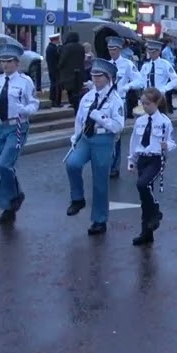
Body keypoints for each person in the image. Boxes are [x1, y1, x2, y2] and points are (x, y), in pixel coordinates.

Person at [0, 44, 39, 225]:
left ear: (16, 63)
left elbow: (35, 104)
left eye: (8, 62)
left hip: (17, 126)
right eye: (2, 62)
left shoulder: (25, 81)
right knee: (0, 167)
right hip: (0, 126)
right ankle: (9, 206)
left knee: (6, 164)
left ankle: (13, 197)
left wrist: (25, 110)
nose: (4, 65)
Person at [65, 58, 124, 235]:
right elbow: (79, 119)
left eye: (99, 76)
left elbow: (118, 126)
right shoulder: (88, 97)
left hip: (103, 140)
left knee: (100, 181)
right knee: (72, 163)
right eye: (93, 75)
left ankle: (99, 220)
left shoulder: (115, 100)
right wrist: (75, 136)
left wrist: (101, 118)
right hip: (86, 137)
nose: (95, 79)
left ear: (108, 78)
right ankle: (77, 198)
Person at [127, 87, 176, 246]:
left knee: (142, 184)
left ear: (156, 103)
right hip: (142, 159)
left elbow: (172, 142)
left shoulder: (164, 121)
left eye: (147, 103)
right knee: (144, 195)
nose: (145, 106)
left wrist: (166, 145)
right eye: (142, 104)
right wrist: (132, 160)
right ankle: (146, 232)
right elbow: (134, 142)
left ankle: (156, 210)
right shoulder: (140, 121)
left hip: (156, 159)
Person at [106, 37, 144, 180]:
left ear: (120, 50)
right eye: (110, 49)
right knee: (106, 133)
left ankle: (114, 167)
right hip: (107, 103)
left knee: (116, 134)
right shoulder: (106, 65)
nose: (112, 52)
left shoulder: (127, 64)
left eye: (114, 49)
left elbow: (140, 80)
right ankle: (107, 164)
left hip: (120, 102)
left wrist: (127, 86)